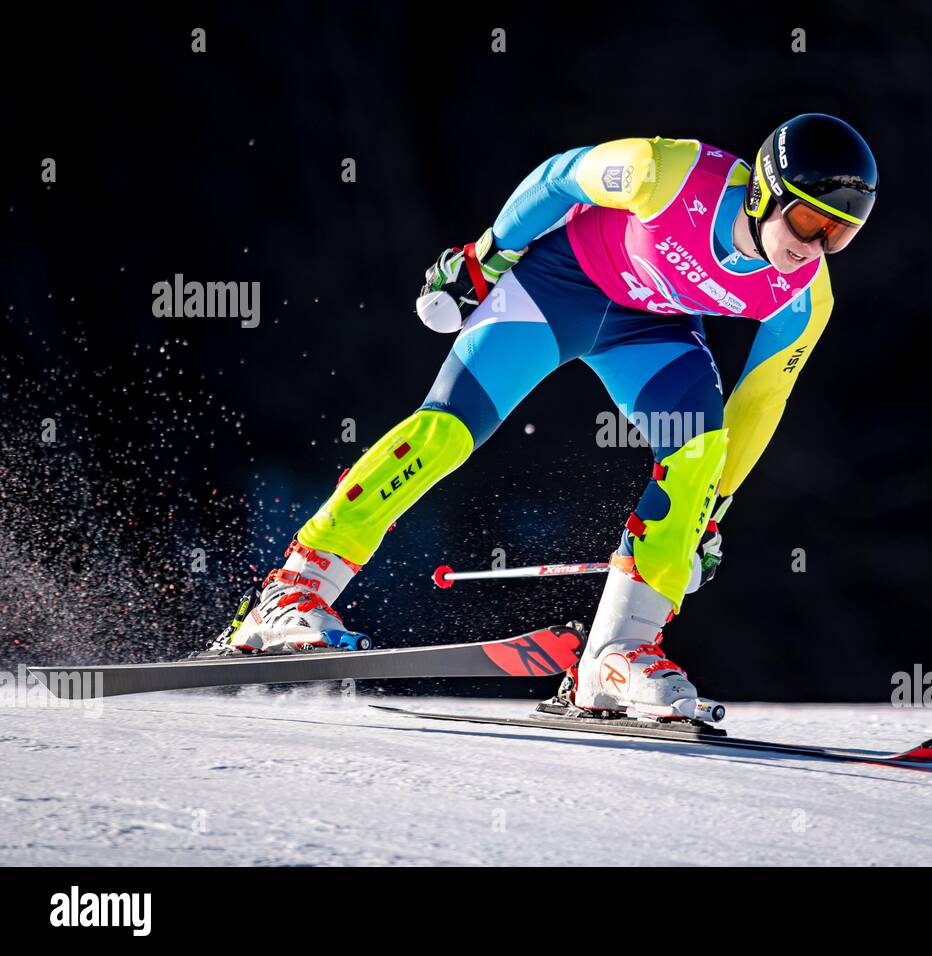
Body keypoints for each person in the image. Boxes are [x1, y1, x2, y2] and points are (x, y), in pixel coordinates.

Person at [208, 113, 878, 723]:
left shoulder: (804, 297)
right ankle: (290, 593)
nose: (816, 246)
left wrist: (713, 510)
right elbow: (559, 178)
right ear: (764, 192)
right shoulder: (667, 174)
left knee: (699, 453)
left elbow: (760, 403)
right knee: (448, 428)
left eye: (841, 233)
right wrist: (485, 254)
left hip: (654, 329)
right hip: (562, 284)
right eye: (809, 223)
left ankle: (616, 658)